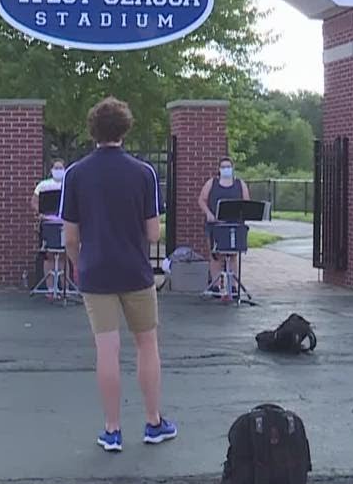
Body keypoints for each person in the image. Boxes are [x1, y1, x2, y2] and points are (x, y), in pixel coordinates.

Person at [61, 97, 176, 452]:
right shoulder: (144, 173)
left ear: (93, 130)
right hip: (136, 271)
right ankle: (153, 422)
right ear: (125, 129)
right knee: (147, 345)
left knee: (107, 350)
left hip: (96, 272)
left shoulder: (75, 174)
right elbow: (154, 233)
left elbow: (69, 237)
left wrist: (80, 264)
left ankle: (112, 430)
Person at [197, 157, 251, 295]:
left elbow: (247, 202)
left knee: (233, 255)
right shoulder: (212, 183)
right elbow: (202, 199)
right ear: (219, 169)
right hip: (215, 224)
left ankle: (232, 286)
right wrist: (208, 213)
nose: (226, 169)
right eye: (223, 166)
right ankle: (215, 285)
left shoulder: (240, 184)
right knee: (215, 255)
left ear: (233, 168)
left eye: (228, 166)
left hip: (234, 224)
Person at [33, 159, 68, 290]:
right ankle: (50, 288)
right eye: (56, 168)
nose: (58, 171)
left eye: (60, 168)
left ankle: (65, 287)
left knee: (64, 255)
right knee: (49, 255)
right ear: (51, 170)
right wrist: (40, 213)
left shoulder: (68, 185)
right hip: (48, 224)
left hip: (63, 224)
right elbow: (34, 202)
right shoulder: (43, 185)